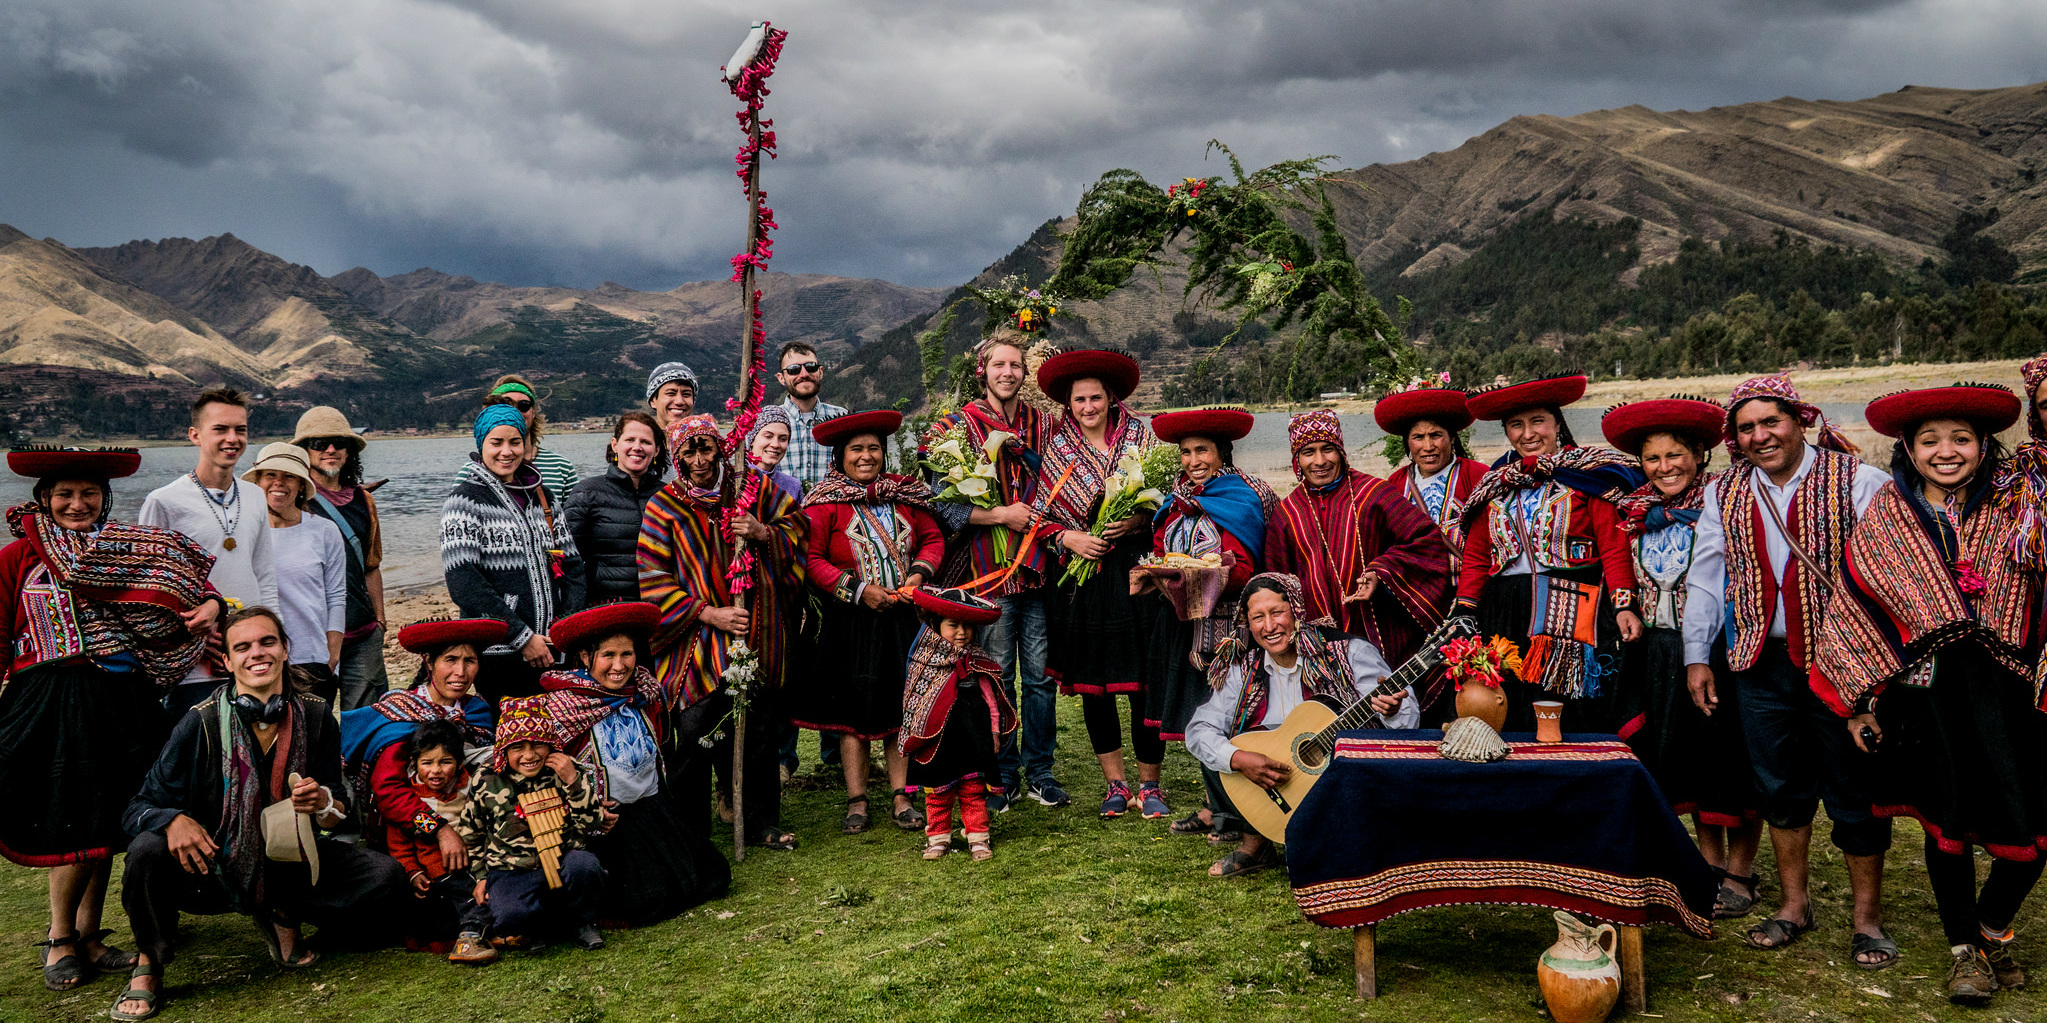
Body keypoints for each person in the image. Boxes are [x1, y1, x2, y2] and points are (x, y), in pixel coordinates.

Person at [1811, 384, 2039, 1000]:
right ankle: (1966, 949)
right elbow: (1856, 607)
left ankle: (1992, 927)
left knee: (2032, 829)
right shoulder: (1888, 514)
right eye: (1929, 440)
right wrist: (1858, 702)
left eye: (1960, 438)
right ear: (1908, 449)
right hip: (1929, 696)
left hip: (2012, 690)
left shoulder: (2017, 505)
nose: (1946, 451)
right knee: (1949, 821)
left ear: (1984, 444)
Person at [1680, 374, 1894, 967]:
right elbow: (1705, 577)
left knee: (1853, 791)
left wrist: (1876, 670)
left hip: (1841, 661)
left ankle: (1867, 919)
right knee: (1778, 787)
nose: (1760, 436)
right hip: (1757, 661)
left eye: (1770, 422)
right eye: (1746, 427)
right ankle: (1793, 906)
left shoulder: (1860, 481)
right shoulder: (1723, 493)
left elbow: (1888, 572)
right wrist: (1698, 655)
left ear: (1800, 420)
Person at [0, 446, 219, 996]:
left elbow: (185, 580)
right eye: (66, 495)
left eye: (89, 494)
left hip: (123, 697)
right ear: (44, 499)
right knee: (68, 816)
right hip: (52, 696)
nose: (78, 504)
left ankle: (91, 935)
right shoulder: (17, 558)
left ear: (105, 498)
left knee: (108, 817)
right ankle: (59, 939)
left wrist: (214, 605)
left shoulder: (125, 547)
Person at [116, 608, 407, 1021]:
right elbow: (137, 808)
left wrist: (321, 802)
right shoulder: (198, 723)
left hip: (289, 864)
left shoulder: (317, 714)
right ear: (228, 661)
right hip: (212, 869)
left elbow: (337, 811)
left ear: (286, 649)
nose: (258, 653)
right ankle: (150, 963)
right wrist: (172, 820)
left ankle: (280, 911)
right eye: (243, 646)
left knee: (386, 879)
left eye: (267, 642)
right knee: (146, 850)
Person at [1601, 397, 1763, 921]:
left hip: (1721, 648)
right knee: (1683, 758)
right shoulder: (1633, 514)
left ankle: (1742, 869)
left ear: (1699, 455)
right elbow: (1621, 573)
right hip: (1660, 651)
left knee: (1730, 757)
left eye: (1675, 456)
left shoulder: (1726, 503)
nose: (1664, 468)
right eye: (1652, 459)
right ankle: (1705, 865)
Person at [638, 413, 805, 850]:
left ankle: (761, 822)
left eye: (705, 448)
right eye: (688, 451)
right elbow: (653, 577)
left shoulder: (752, 489)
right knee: (692, 731)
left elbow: (798, 530)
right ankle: (691, 830)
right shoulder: (665, 505)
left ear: (720, 448)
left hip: (754, 628)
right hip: (696, 637)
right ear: (676, 457)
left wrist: (761, 531)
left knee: (758, 729)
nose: (698, 460)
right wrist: (708, 614)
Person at [1184, 573, 1414, 878]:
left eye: (1277, 613)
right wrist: (1239, 759)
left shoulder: (1348, 653)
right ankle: (1255, 844)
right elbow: (1199, 729)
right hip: (1276, 779)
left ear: (1297, 611)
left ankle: (1336, 839)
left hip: (1339, 776)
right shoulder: (1244, 667)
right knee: (1221, 748)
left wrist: (1392, 711)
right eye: (1257, 618)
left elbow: (1407, 716)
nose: (1269, 627)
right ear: (1248, 624)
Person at [1455, 375, 1644, 732]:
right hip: (1504, 615)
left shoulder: (1589, 474)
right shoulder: (1497, 482)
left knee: (1569, 710)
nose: (1528, 434)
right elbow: (1478, 557)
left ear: (1557, 423)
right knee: (1509, 706)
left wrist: (1624, 604)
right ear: (1506, 431)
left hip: (1570, 610)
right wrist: (1464, 612)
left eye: (1537, 421)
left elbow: (1613, 545)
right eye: (1516, 425)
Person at [787, 410, 944, 834]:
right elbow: (812, 559)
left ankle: (901, 795)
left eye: (873, 448)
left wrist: (917, 576)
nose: (866, 456)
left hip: (902, 618)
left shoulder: (905, 496)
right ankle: (856, 800)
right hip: (848, 622)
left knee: (899, 705)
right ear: (840, 456)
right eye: (856, 449)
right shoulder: (823, 504)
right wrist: (857, 590)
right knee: (851, 713)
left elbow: (931, 538)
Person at [923, 330, 1060, 809]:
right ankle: (1001, 773)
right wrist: (999, 515)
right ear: (982, 370)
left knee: (1041, 676)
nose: (1008, 373)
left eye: (1016, 366)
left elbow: (1064, 488)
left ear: (1026, 373)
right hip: (986, 571)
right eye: (999, 365)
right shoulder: (953, 428)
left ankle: (1041, 770)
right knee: (996, 672)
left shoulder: (1044, 427)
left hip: (1038, 567)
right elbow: (942, 504)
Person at [1033, 350, 1170, 819]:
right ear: (1067, 405)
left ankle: (1150, 785)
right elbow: (1042, 517)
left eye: (1096, 397)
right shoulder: (1057, 450)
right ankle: (1115, 783)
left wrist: (1136, 520)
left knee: (1142, 683)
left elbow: (1167, 500)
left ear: (1111, 398)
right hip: (1082, 580)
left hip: (1135, 572)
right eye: (1079, 400)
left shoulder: (1141, 439)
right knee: (1097, 685)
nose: (1088, 407)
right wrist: (1071, 538)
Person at [540, 602, 731, 927]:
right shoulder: (565, 708)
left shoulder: (645, 694)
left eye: (626, 654)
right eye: (608, 656)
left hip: (652, 811)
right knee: (646, 901)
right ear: (586, 658)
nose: (619, 665)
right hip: (603, 824)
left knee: (715, 874)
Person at [1142, 406, 1280, 842]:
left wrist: (1213, 571)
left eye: (1202, 450)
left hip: (1229, 627)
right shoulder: (1177, 499)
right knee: (1198, 714)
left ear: (1223, 451)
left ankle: (1234, 812)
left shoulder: (1243, 494)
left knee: (1231, 714)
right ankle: (1212, 805)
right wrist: (1163, 570)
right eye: (1185, 452)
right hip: (1182, 621)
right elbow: (1160, 543)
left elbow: (1250, 561)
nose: (1193, 460)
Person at [338, 616, 502, 942]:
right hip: (410, 839)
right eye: (450, 660)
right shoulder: (402, 716)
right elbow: (388, 791)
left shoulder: (477, 711)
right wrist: (439, 830)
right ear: (429, 662)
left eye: (470, 661)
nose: (461, 672)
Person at [1268, 409, 1452, 670]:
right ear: (1297, 459)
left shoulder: (1374, 494)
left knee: (1391, 701)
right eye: (1308, 452)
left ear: (1341, 452)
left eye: (1328, 449)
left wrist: (1381, 571)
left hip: (1381, 631)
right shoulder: (1286, 514)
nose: (1319, 461)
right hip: (1319, 645)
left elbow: (1425, 539)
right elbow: (1277, 584)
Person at [139, 387, 279, 719]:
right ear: (195, 435)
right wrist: (194, 636)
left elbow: (264, 575)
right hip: (195, 662)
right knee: (200, 758)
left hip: (253, 653)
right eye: (220, 429)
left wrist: (275, 638)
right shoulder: (164, 501)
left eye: (240, 430)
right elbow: (149, 590)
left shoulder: (256, 496)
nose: (232, 439)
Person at [442, 402, 586, 704]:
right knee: (510, 739)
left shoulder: (542, 499)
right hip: (498, 653)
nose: (506, 451)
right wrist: (522, 637)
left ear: (525, 444)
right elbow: (465, 583)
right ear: (481, 444)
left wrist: (565, 628)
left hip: (553, 649)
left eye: (514, 442)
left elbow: (572, 567)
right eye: (496, 442)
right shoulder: (465, 502)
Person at [457, 695, 607, 954]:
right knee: (508, 915)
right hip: (511, 869)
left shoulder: (565, 770)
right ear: (504, 749)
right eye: (518, 747)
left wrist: (572, 781)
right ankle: (535, 927)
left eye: (538, 744)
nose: (529, 755)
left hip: (563, 861)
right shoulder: (487, 779)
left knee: (586, 867)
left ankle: (580, 921)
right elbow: (472, 833)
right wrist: (481, 878)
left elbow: (593, 821)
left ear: (550, 744)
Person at [900, 588, 1015, 861]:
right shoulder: (923, 659)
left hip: (973, 737)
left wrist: (994, 733)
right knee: (938, 792)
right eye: (953, 625)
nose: (961, 632)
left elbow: (991, 702)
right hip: (938, 741)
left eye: (967, 626)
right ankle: (938, 838)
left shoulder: (978, 661)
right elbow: (914, 702)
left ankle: (978, 838)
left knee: (973, 789)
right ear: (937, 625)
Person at [371, 720, 495, 964]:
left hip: (476, 865)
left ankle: (487, 932)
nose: (435, 770)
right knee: (467, 902)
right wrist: (413, 872)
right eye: (427, 763)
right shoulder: (412, 800)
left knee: (488, 893)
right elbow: (399, 845)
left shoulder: (471, 788)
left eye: (445, 762)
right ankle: (469, 938)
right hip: (437, 874)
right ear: (414, 764)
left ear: (460, 763)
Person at [292, 406, 391, 710]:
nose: (331, 449)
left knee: (365, 721)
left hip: (362, 634)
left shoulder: (365, 500)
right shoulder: (291, 501)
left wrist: (380, 621)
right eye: (319, 444)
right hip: (309, 636)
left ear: (350, 452)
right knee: (309, 722)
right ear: (303, 452)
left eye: (339, 442)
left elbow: (371, 566)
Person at [245, 442, 347, 705]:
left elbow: (336, 596)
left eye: (289, 476)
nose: (279, 483)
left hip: (310, 658)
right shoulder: (243, 533)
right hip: (256, 658)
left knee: (312, 740)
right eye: (270, 475)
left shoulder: (324, 531)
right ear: (257, 481)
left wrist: (331, 654)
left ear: (302, 484)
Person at [564, 412, 669, 605]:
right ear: (615, 445)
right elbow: (569, 561)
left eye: (645, 442)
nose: (637, 447)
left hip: (660, 607)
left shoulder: (668, 496)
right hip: (605, 608)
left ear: (656, 450)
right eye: (630, 439)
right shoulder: (587, 493)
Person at [1375, 385, 1488, 559]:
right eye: (1418, 437)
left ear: (1451, 438)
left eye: (1436, 435)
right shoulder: (1397, 483)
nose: (1428, 447)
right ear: (1408, 442)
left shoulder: (1477, 476)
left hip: (1467, 582)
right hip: (1414, 583)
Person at [483, 374, 579, 500]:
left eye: (523, 405)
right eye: (506, 404)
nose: (515, 411)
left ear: (533, 412)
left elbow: (574, 517)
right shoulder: (473, 471)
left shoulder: (561, 467)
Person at [775, 341, 848, 490]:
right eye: (794, 369)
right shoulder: (765, 423)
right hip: (782, 512)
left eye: (810, 367)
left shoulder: (842, 418)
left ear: (820, 372)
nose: (804, 374)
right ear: (781, 378)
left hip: (831, 510)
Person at [746, 405, 804, 502]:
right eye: (768, 436)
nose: (775, 445)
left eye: (783, 439)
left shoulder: (793, 487)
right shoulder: (733, 479)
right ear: (752, 439)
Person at [646, 362, 699, 440]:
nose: (679, 401)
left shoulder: (704, 446)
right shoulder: (640, 445)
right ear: (653, 401)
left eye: (686, 394)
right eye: (670, 393)